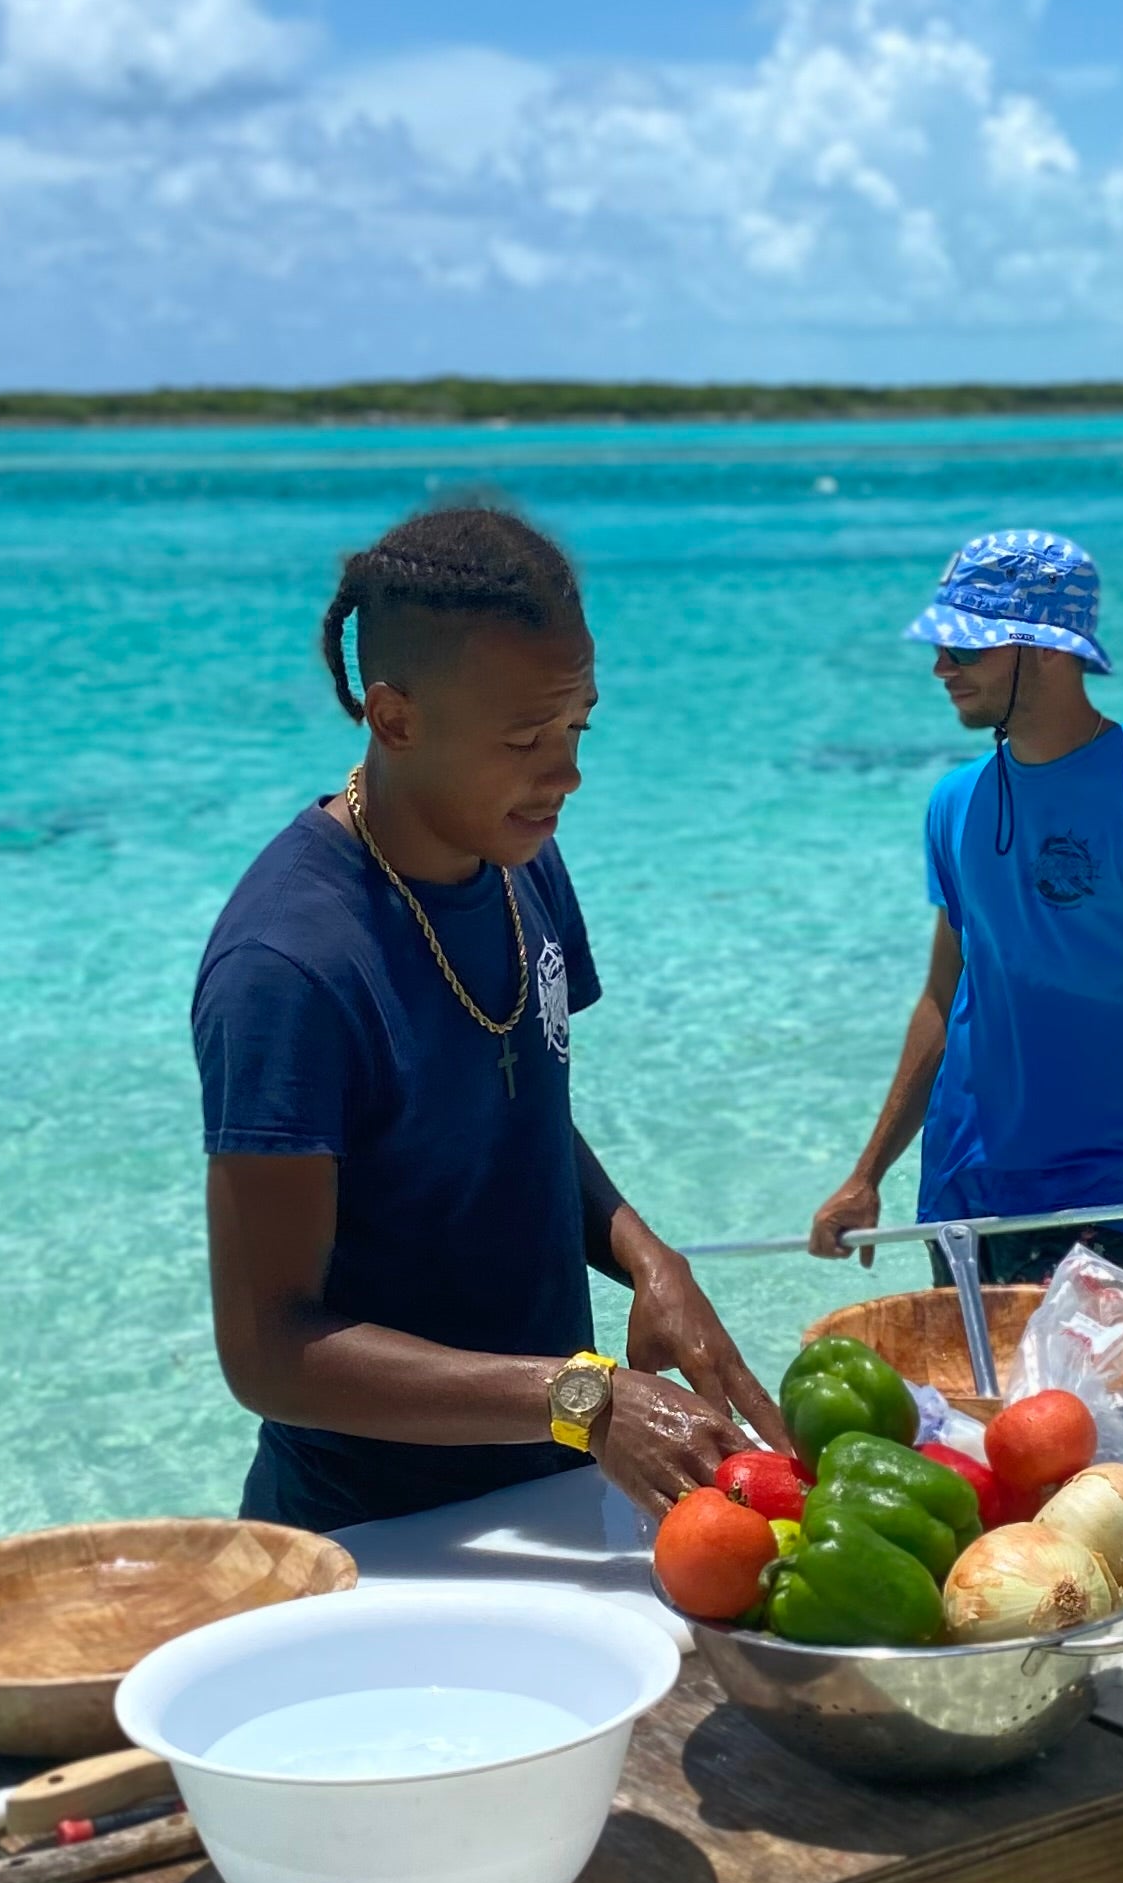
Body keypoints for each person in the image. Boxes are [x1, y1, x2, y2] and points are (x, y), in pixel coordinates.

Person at [194, 500, 787, 1536]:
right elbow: (267, 1350)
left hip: (556, 1482)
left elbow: (507, 1112)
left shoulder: (519, 855)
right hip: (367, 1532)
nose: (565, 773)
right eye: (524, 738)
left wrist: (648, 1259)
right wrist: (583, 1399)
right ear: (394, 717)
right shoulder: (288, 964)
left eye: (576, 726)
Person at [809, 527, 1123, 1283]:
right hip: (958, 1188)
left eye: (965, 648)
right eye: (941, 647)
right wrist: (866, 1175)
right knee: (976, 1403)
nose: (940, 667)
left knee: (1061, 1402)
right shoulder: (954, 801)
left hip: (1095, 1200)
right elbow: (942, 998)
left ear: (1047, 650)